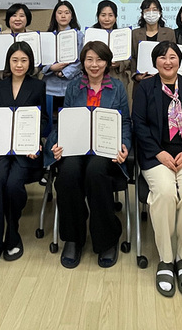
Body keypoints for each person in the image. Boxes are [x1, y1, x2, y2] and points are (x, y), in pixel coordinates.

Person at [47, 41, 131, 269]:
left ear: (107, 63)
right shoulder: (74, 87)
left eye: (100, 60)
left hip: (104, 150)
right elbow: (64, 119)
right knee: (68, 172)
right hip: (76, 146)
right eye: (89, 60)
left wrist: (124, 145)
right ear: (83, 62)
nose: (94, 65)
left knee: (96, 171)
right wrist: (56, 143)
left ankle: (106, 240)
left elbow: (125, 122)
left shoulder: (118, 86)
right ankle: (73, 238)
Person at [132, 41, 182, 297]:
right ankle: (165, 259)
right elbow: (138, 125)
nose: (167, 61)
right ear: (155, 62)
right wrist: (158, 153)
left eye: (172, 57)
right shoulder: (145, 88)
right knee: (164, 192)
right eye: (162, 57)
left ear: (179, 61)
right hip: (156, 154)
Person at [0, 42, 46, 273]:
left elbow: (44, 121)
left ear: (30, 63)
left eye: (24, 60)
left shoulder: (38, 86)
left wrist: (35, 140)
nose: (19, 65)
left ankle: (13, 231)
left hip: (26, 151)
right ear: (8, 62)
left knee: (14, 184)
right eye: (15, 60)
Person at [130, 0, 176, 94]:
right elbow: (132, 58)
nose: (151, 13)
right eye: (147, 10)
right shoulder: (134, 33)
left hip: (165, 82)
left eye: (154, 10)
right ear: (142, 13)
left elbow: (174, 57)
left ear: (160, 12)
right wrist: (136, 76)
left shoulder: (169, 33)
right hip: (142, 83)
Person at [42, 0, 84, 90]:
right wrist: (51, 67)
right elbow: (42, 59)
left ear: (72, 16)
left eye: (67, 13)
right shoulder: (47, 36)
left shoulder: (79, 36)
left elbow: (82, 60)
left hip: (72, 84)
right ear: (55, 16)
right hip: (50, 86)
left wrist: (64, 72)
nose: (63, 16)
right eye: (60, 13)